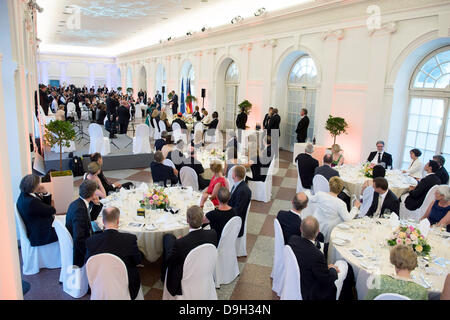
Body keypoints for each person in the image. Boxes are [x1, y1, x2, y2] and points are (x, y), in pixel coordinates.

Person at [85, 207, 142, 300]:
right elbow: (138, 261)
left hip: (99, 283)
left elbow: (88, 263)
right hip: (126, 284)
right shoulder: (129, 239)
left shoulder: (91, 241)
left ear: (103, 221)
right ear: (118, 221)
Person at [288, 216, 349, 300]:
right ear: (318, 232)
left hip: (295, 279)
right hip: (310, 292)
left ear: (300, 229)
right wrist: (332, 269)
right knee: (344, 265)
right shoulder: (317, 255)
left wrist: (325, 268)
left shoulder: (292, 240)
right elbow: (327, 279)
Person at [162, 206, 217, 296]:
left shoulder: (180, 243)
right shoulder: (212, 234)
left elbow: (169, 260)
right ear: (203, 220)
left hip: (183, 279)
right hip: (205, 270)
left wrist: (176, 242)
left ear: (187, 220)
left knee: (168, 238)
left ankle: (163, 277)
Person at [309, 177, 359, 246]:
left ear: (329, 186)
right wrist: (355, 207)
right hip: (327, 229)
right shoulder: (340, 203)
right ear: (341, 189)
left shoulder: (320, 194)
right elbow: (348, 219)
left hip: (315, 223)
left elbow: (310, 199)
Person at [65, 180, 103, 267]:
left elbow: (90, 218)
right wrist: (89, 255)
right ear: (93, 194)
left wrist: (97, 204)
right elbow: (79, 238)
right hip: (81, 248)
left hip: (84, 237)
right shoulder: (80, 210)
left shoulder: (78, 203)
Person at [16, 174, 58, 246]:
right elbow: (52, 210)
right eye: (38, 183)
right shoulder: (31, 202)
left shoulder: (23, 196)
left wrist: (45, 192)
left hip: (35, 227)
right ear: (35, 186)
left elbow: (45, 207)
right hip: (42, 234)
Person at [229, 165, 252, 238]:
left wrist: (224, 212)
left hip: (236, 222)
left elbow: (237, 211)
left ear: (234, 175)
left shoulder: (243, 191)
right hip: (232, 212)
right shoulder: (238, 184)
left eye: (232, 172)